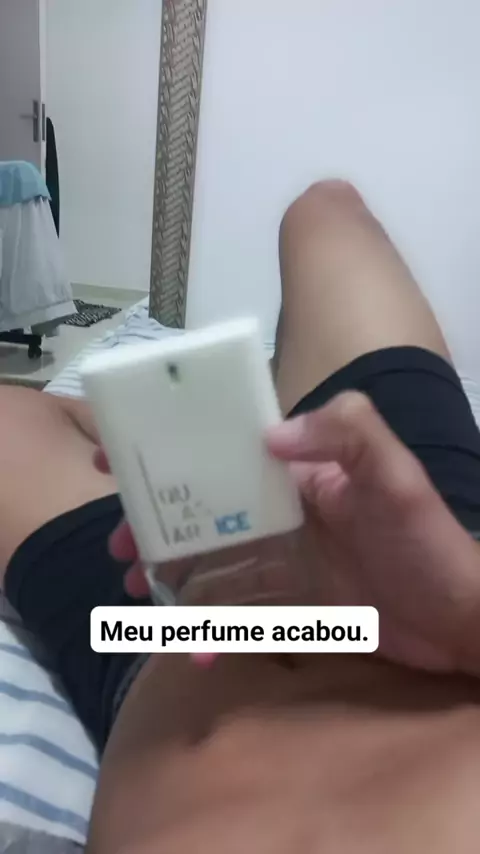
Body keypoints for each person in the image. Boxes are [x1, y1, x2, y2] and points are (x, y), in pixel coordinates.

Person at [2, 180, 480, 853]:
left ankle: (241, 434)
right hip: (426, 564)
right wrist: (463, 611)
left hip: (177, 633)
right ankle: (259, 434)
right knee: (324, 211)